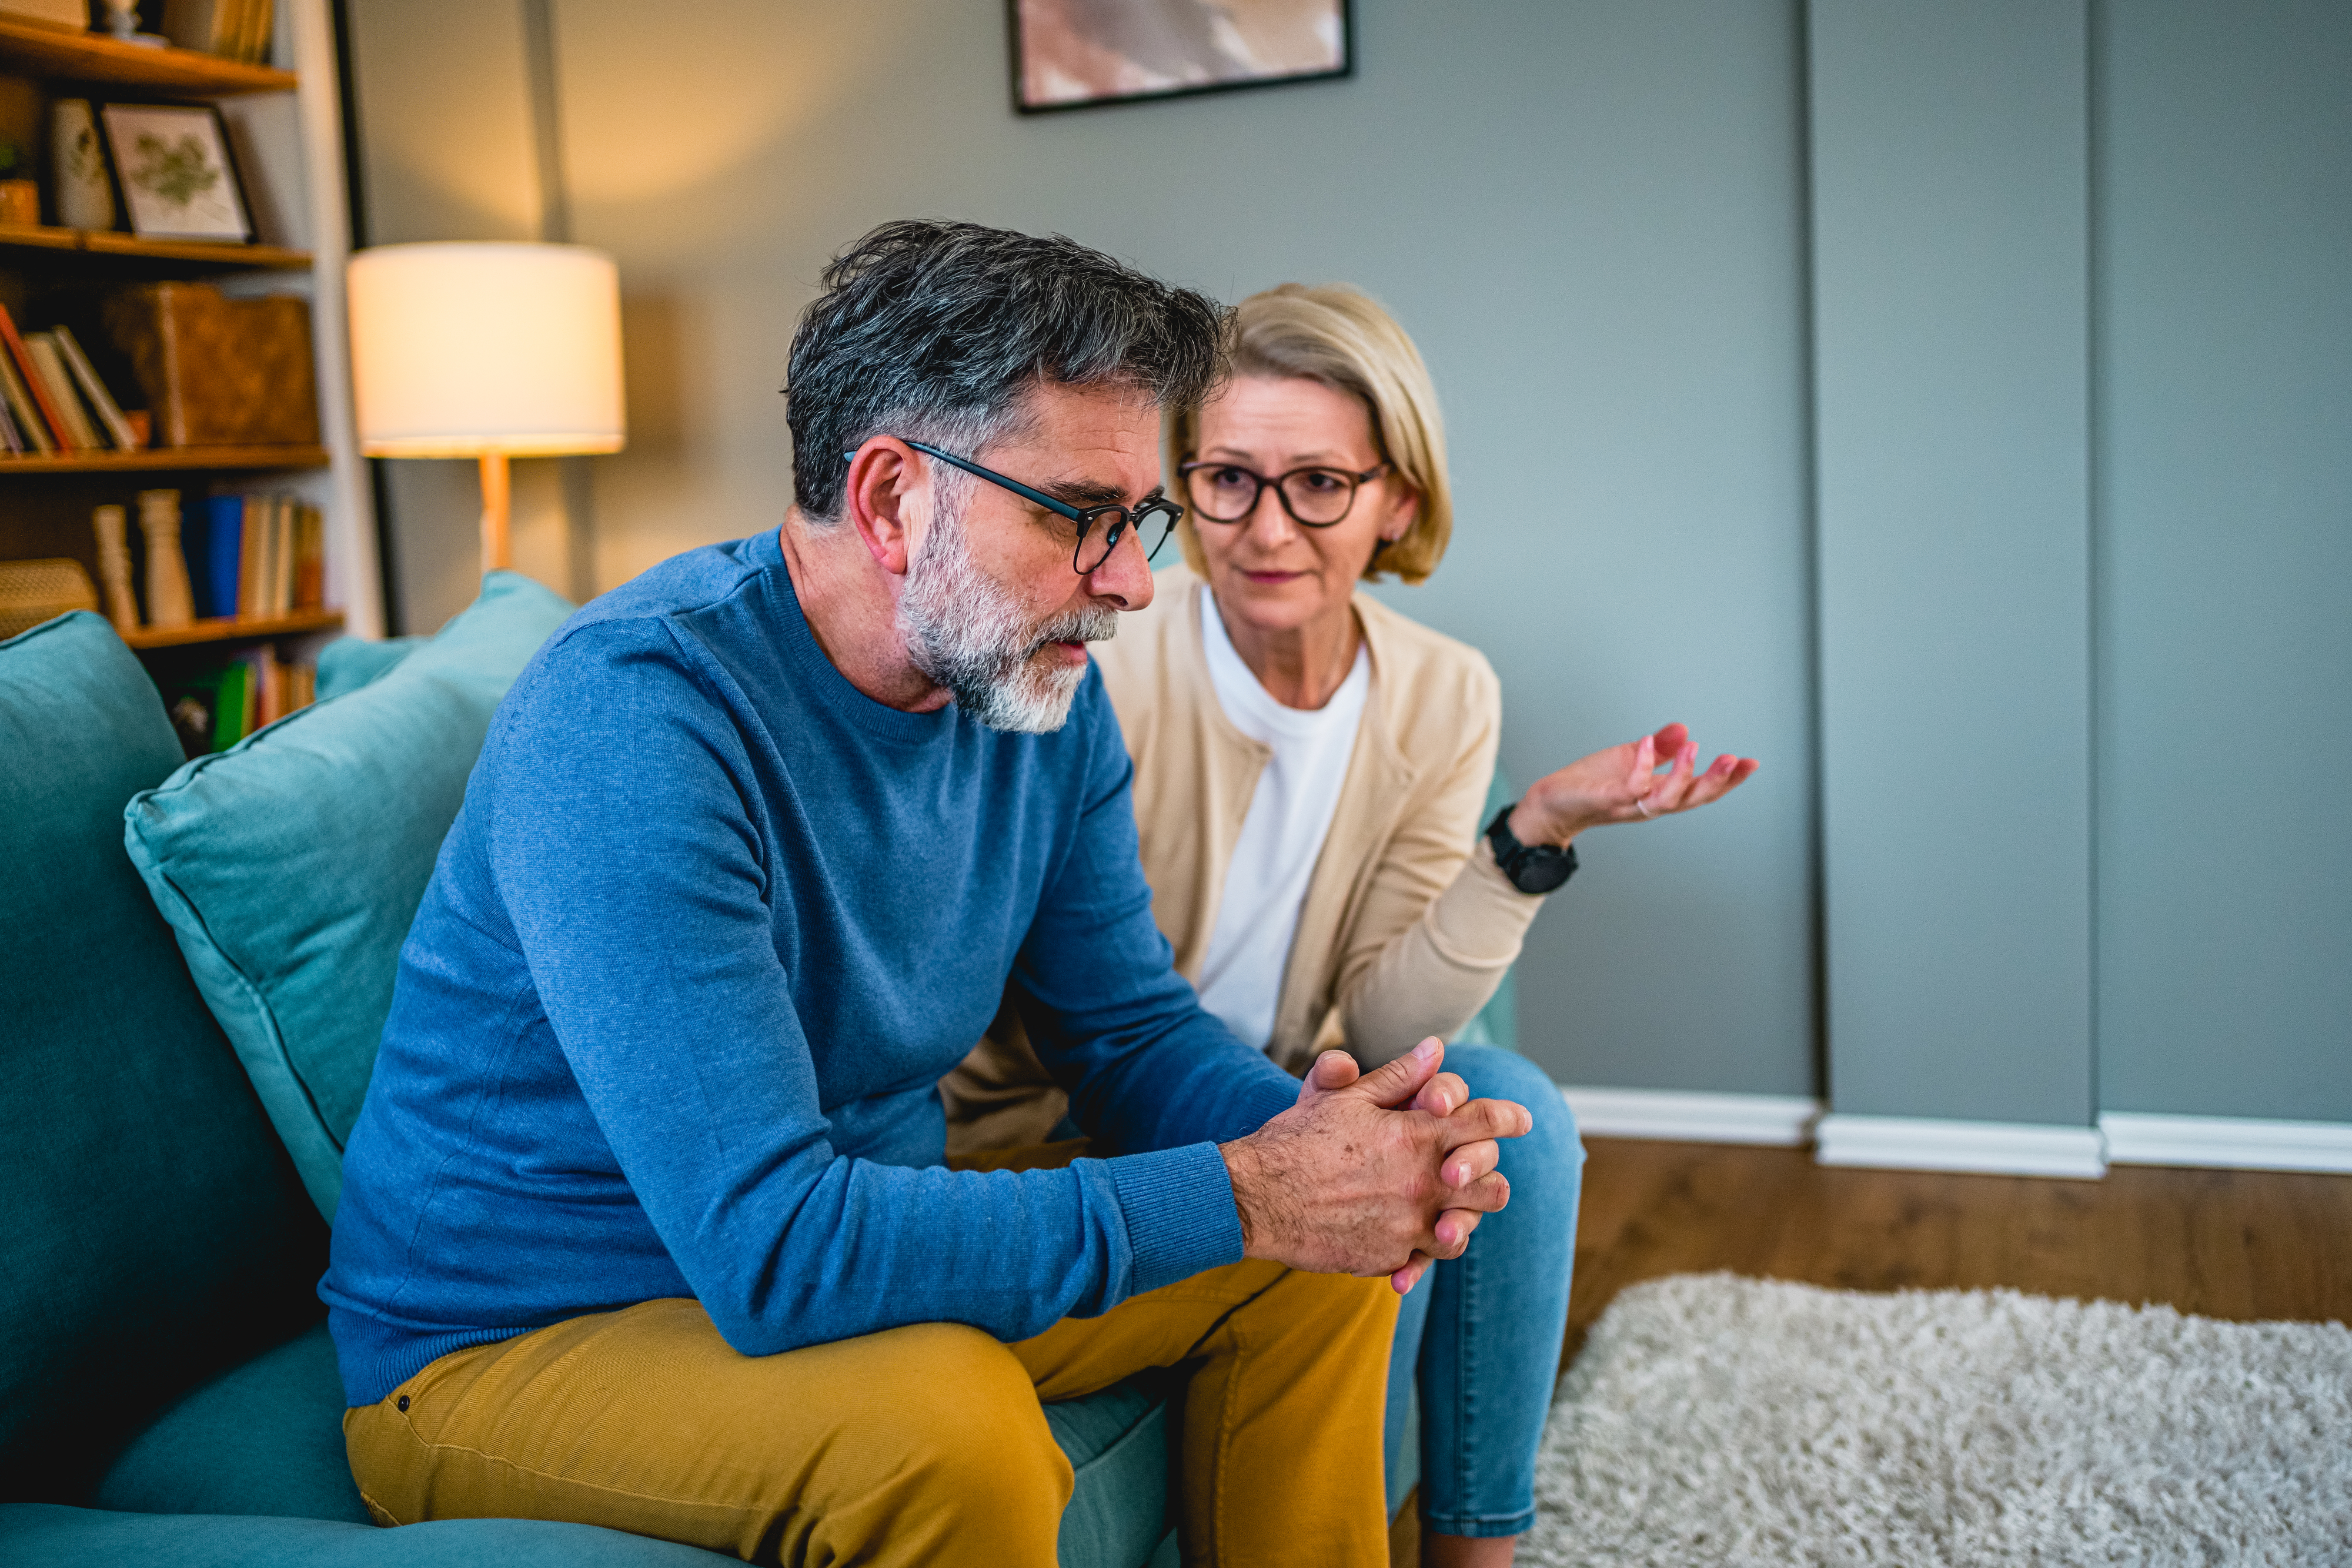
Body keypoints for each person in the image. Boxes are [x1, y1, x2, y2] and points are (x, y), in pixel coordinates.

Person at [320, 223, 1536, 1568]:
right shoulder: (634, 721)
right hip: (522, 1329)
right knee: (953, 1427)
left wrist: (1332, 1149)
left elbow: (1123, 1029)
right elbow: (774, 1242)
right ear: (894, 499)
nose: (1133, 581)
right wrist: (1251, 1189)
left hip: (837, 1233)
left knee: (1312, 1276)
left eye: (1141, 521)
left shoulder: (1035, 688)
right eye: (1082, 515)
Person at [944, 282, 1758, 1567]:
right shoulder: (1097, 660)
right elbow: (1071, 1009)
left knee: (1511, 1110)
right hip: (1069, 1121)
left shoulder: (1440, 690)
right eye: (1225, 479)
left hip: (1275, 1086)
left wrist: (1532, 830)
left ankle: (1473, 1548)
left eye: (1317, 482)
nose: (1264, 528)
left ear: (1398, 502)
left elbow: (1384, 1017)